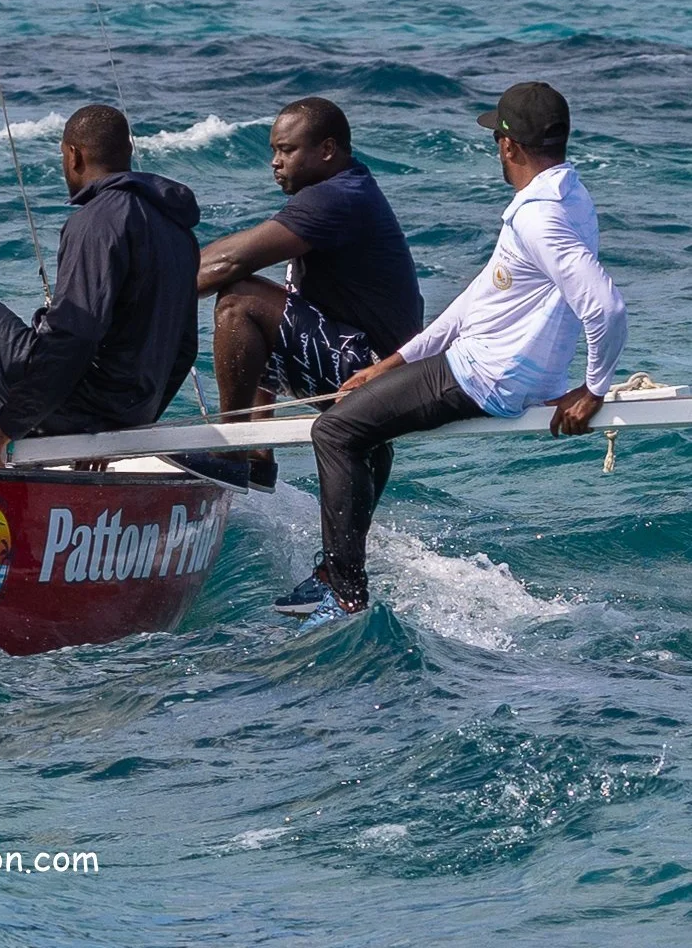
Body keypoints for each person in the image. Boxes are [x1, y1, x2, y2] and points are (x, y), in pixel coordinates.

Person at [293, 81, 627, 627]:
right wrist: (390, 365)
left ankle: (343, 590)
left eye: (497, 138)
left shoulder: (539, 218)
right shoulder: (571, 196)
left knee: (334, 431)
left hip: (486, 375)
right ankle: (339, 570)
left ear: (508, 145)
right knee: (361, 424)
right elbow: (475, 300)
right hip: (507, 368)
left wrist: (594, 389)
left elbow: (606, 306)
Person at [197, 97, 423, 493]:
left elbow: (230, 261)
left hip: (373, 375)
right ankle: (257, 453)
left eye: (287, 150)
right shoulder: (344, 189)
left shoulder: (338, 196)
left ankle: (232, 450)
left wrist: (146, 297)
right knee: (264, 306)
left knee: (239, 300)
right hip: (370, 369)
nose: (275, 162)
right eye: (273, 151)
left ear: (327, 150)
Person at [0, 104, 202, 467]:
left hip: (80, 408)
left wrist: (10, 423)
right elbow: (184, 347)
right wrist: (128, 428)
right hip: (127, 412)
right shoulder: (179, 232)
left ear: (74, 155)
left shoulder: (96, 221)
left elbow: (75, 336)